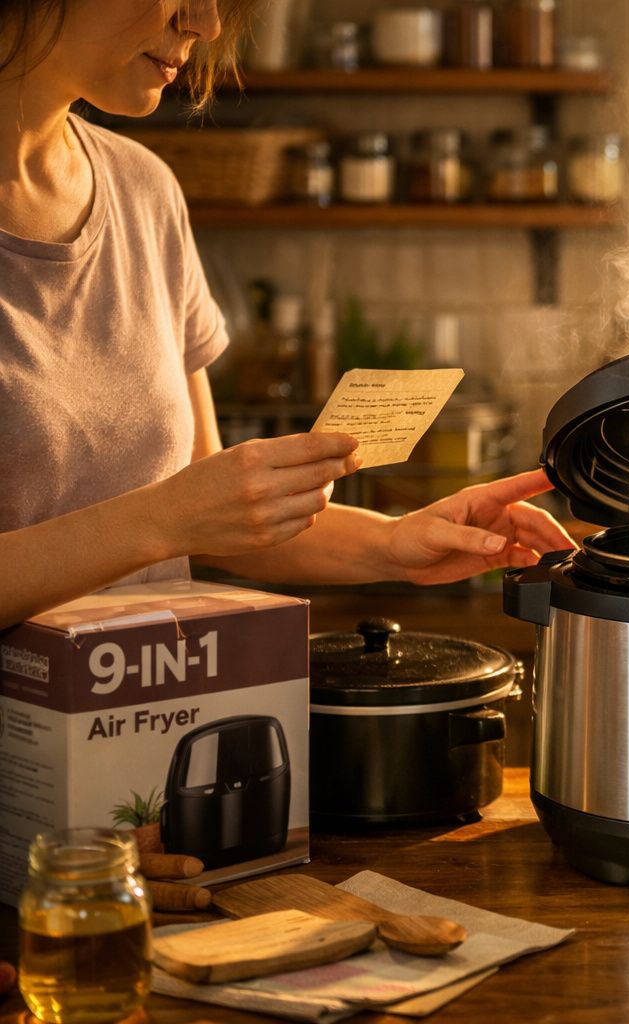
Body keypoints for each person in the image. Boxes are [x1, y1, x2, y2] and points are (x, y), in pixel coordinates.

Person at [0, 0, 573, 630]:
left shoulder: (145, 190)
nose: (206, 25)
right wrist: (161, 520)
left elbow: (207, 514)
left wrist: (396, 542)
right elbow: (173, 516)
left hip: (149, 713)